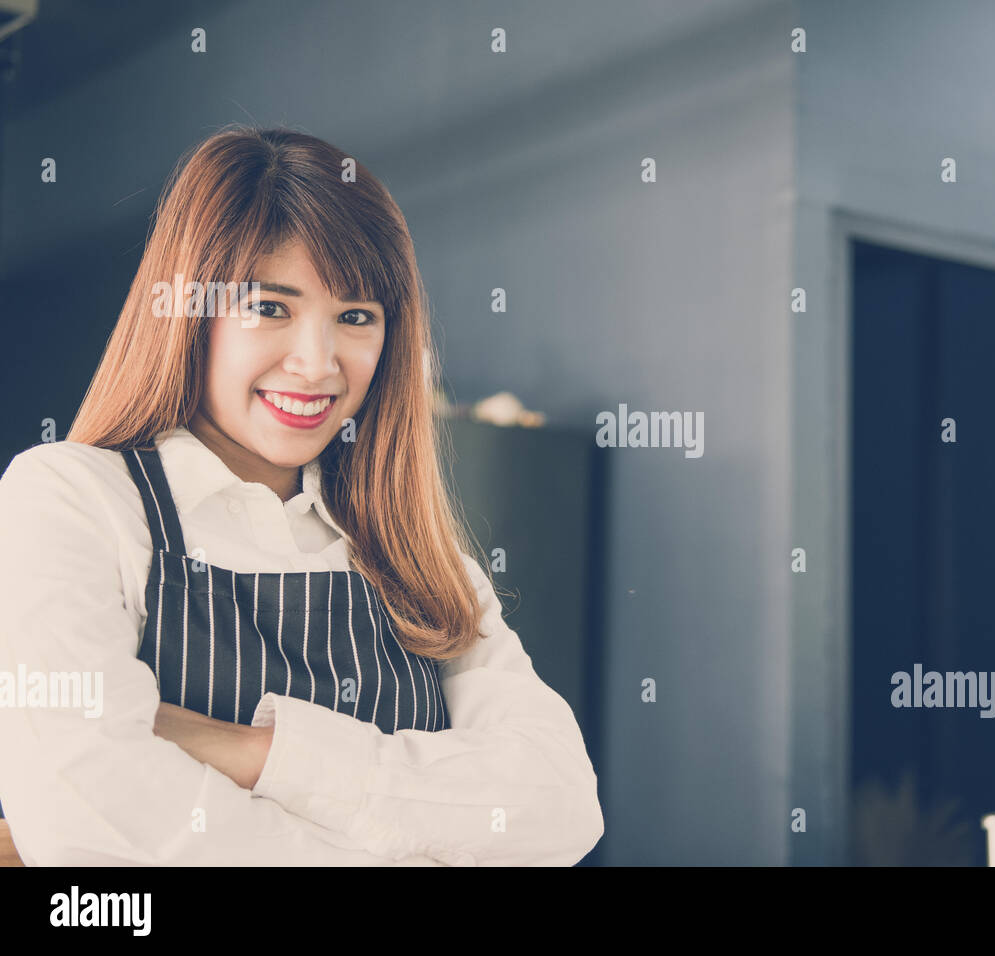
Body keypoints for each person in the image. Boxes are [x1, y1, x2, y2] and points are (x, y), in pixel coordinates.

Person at [0, 126, 603, 866]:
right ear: (190, 311)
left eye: (355, 317)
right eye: (270, 307)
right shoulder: (70, 499)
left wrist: (253, 753)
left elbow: (560, 807)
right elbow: (87, 826)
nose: (317, 364)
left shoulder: (415, 555)